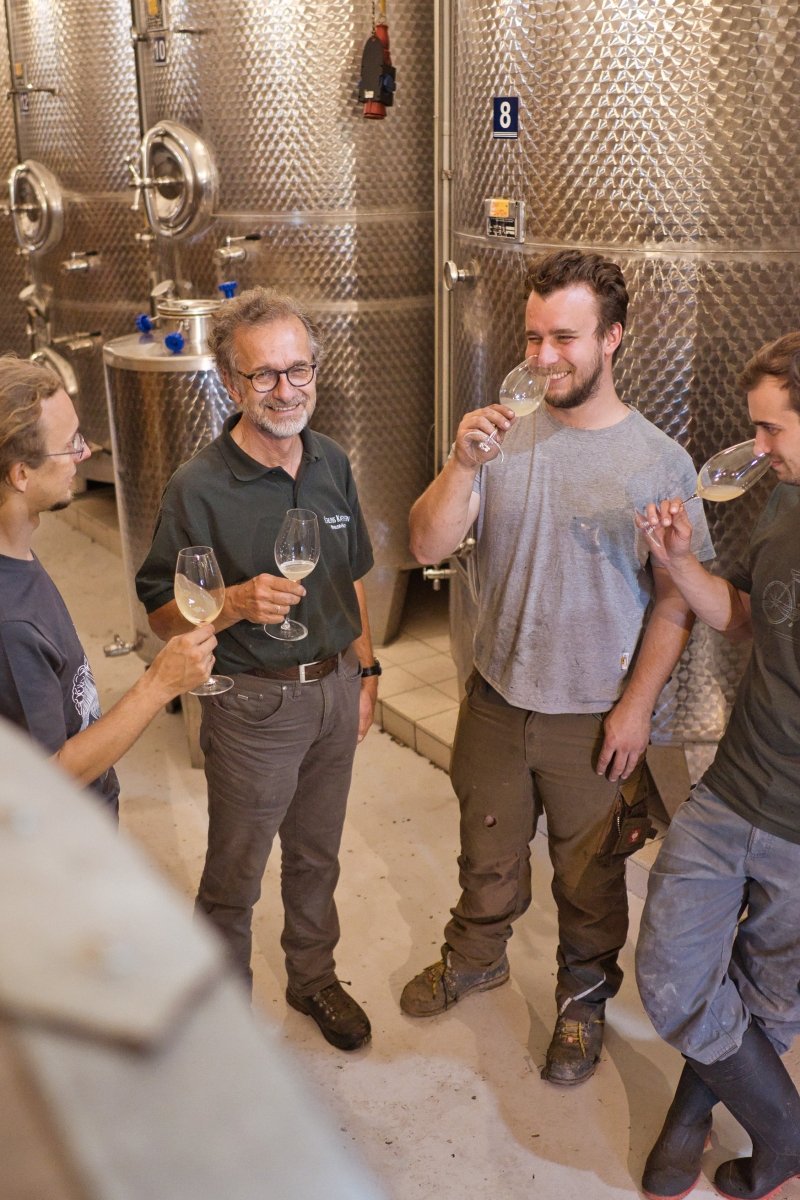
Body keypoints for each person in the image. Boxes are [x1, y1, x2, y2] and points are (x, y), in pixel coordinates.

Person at [400, 248, 714, 1086]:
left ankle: (582, 1000)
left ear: (614, 338)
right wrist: (461, 463)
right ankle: (477, 957)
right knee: (486, 851)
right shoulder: (499, 439)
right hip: (498, 698)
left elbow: (676, 602)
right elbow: (424, 543)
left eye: (565, 339)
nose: (544, 358)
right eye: (534, 337)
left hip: (594, 712)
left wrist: (637, 708)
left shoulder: (659, 462)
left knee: (591, 875)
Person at [135, 287, 380, 1052]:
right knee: (235, 875)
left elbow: (355, 578)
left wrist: (365, 675)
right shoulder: (198, 487)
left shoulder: (333, 460)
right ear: (232, 385)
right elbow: (159, 614)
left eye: (297, 369)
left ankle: (313, 979)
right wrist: (233, 603)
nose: (286, 390)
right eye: (264, 375)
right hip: (253, 705)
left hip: (335, 690)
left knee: (317, 855)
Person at [634, 332, 800, 1200]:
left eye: (771, 430)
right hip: (737, 782)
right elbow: (742, 619)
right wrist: (679, 566)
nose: (759, 450)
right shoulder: (783, 500)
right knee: (669, 971)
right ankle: (787, 1132)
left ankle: (689, 1121)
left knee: (770, 996)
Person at [0, 355, 215, 818]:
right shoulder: (8, 622)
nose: (85, 451)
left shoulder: (16, 551)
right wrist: (159, 684)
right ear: (20, 474)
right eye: (70, 444)